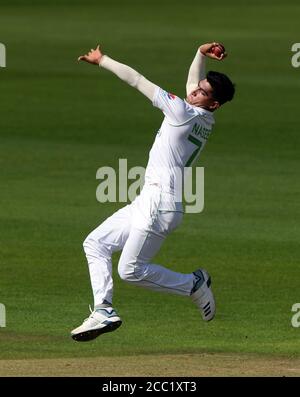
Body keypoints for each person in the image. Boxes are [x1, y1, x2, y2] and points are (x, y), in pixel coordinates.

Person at [71, 42, 235, 341]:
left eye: (203, 92)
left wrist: (103, 60)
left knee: (130, 270)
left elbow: (137, 80)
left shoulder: (182, 111)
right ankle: (103, 310)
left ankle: (193, 284)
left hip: (160, 204)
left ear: (213, 103)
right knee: (95, 243)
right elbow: (190, 84)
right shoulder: (203, 117)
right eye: (198, 88)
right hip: (149, 200)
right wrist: (199, 53)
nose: (195, 91)